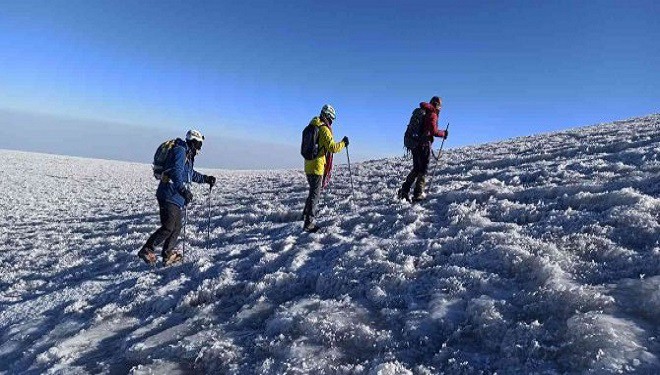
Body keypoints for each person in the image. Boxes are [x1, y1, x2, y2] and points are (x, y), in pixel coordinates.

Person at [138, 129, 216, 265]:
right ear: (193, 142)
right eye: (199, 145)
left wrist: (206, 178)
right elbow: (176, 172)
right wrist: (182, 190)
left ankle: (168, 254)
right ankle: (147, 249)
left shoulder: (187, 155)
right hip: (169, 194)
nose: (199, 149)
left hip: (175, 196)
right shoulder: (180, 151)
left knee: (177, 226)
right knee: (169, 226)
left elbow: (190, 175)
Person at [302, 104, 349, 232]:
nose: (332, 122)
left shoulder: (312, 125)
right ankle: (308, 223)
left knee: (312, 191)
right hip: (317, 165)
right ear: (328, 116)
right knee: (315, 194)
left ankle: (305, 215)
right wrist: (344, 143)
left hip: (308, 164)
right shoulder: (323, 129)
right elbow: (332, 147)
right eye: (331, 119)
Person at [398, 96, 448, 202]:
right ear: (438, 105)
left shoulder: (423, 111)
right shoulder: (432, 114)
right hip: (423, 145)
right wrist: (443, 133)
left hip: (415, 144)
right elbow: (433, 131)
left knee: (416, 168)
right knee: (423, 169)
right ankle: (418, 194)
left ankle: (404, 190)